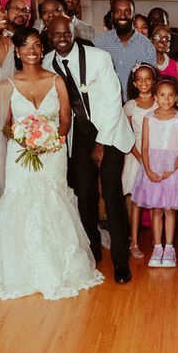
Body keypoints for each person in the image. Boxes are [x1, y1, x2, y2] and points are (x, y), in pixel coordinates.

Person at [0, 27, 103, 300]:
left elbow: (65, 119)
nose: (32, 51)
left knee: (52, 200)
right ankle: (21, 269)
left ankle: (61, 265)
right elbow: (3, 125)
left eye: (37, 45)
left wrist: (52, 139)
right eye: (26, 46)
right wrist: (25, 140)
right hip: (20, 155)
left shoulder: (56, 81)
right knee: (21, 201)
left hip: (53, 152)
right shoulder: (7, 85)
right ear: (17, 51)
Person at [44, 14, 133, 283]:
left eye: (66, 33)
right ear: (49, 35)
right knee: (84, 195)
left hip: (109, 130)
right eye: (56, 34)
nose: (62, 38)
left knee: (111, 193)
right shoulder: (48, 62)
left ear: (74, 32)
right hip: (76, 135)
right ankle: (91, 252)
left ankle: (120, 260)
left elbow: (112, 101)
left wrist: (101, 144)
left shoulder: (98, 57)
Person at [132, 76, 178, 270]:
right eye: (162, 95)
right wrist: (148, 170)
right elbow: (145, 145)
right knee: (156, 209)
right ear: (156, 97)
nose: (166, 99)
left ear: (176, 97)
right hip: (153, 165)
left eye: (170, 96)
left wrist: (172, 169)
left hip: (174, 167)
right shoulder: (148, 118)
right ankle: (157, 246)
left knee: (169, 209)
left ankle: (169, 248)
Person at [121, 63, 158, 259]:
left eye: (148, 78)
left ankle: (156, 241)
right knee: (136, 203)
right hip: (136, 157)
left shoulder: (159, 104)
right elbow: (128, 136)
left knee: (153, 202)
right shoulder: (129, 106)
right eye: (140, 79)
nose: (144, 82)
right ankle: (134, 242)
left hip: (155, 157)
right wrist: (140, 157)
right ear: (134, 83)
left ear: (153, 81)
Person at [93, 0, 156, 89]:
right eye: (118, 11)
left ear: (133, 16)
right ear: (112, 15)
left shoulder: (147, 47)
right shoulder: (98, 43)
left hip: (134, 102)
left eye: (127, 12)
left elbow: (150, 83)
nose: (123, 16)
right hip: (104, 102)